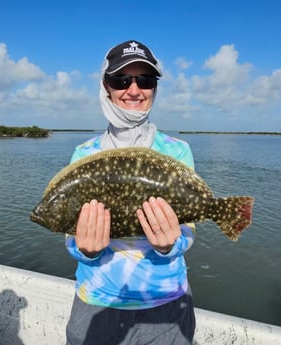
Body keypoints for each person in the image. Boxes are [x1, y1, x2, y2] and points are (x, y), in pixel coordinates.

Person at [64, 40, 196, 345]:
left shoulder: (177, 151)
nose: (134, 90)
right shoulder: (84, 154)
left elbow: (189, 230)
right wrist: (86, 249)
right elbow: (70, 235)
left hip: (166, 306)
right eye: (122, 80)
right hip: (97, 302)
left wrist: (169, 245)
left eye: (145, 80)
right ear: (106, 87)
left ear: (154, 88)